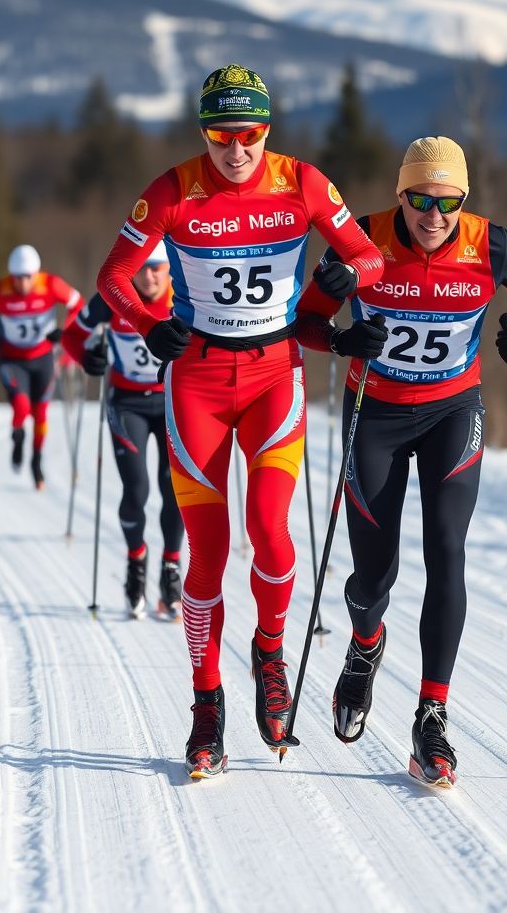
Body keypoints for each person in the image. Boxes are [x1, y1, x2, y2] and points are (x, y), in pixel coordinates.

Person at [96, 63, 384, 778]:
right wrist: (147, 324)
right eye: (222, 136)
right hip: (194, 381)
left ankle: (270, 649)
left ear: (268, 131)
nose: (236, 152)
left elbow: (372, 256)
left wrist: (351, 277)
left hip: (273, 378)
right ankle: (206, 706)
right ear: (204, 132)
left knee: (271, 534)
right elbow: (112, 279)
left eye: (250, 135)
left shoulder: (302, 183)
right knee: (208, 557)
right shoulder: (173, 190)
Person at [295, 136, 507, 788]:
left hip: (452, 412)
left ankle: (432, 717)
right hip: (376, 415)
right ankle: (364, 648)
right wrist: (340, 340)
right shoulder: (361, 240)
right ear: (400, 196)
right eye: (420, 200)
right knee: (373, 578)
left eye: (448, 201)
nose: (434, 215)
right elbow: (305, 320)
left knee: (447, 548)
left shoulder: (493, 246)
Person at [63, 243, 185, 620]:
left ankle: (170, 570)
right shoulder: (114, 298)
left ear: (169, 271)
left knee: (175, 489)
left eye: (156, 270)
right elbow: (70, 336)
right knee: (137, 489)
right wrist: (88, 357)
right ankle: (136, 564)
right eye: (142, 269)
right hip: (126, 403)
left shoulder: (185, 297)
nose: (147, 277)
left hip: (171, 405)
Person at [0, 245, 83, 490]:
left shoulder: (50, 285)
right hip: (12, 359)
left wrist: (64, 331)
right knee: (21, 407)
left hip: (43, 359)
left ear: (36, 273)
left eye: (27, 277)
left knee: (41, 414)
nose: (22, 283)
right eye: (17, 277)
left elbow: (78, 303)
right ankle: (18, 436)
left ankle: (36, 460)